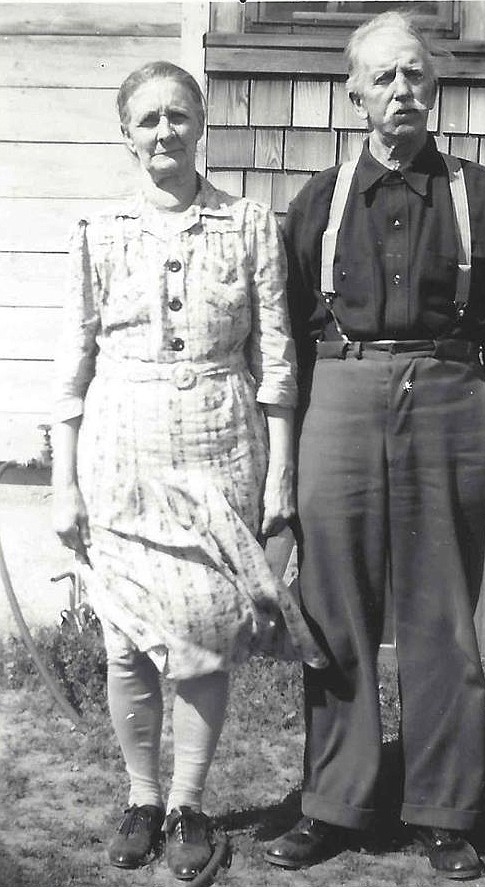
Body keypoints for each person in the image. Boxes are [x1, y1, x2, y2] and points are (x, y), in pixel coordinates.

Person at [265, 11, 485, 880]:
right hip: (338, 400)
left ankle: (443, 808)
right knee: (334, 606)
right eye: (382, 78)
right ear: (354, 94)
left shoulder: (481, 194)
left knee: (441, 614)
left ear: (435, 85)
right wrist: (282, 451)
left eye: (414, 75)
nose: (401, 92)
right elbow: (285, 336)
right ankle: (333, 803)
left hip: (453, 399)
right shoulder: (318, 198)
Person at [50, 60, 325, 882]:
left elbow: (277, 361)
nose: (164, 131)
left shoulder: (245, 224)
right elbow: (72, 366)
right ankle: (140, 797)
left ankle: (189, 804)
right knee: (128, 643)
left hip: (220, 449)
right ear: (124, 133)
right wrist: (61, 479)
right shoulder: (98, 231)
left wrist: (280, 477)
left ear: (199, 122)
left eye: (178, 115)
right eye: (147, 119)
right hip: (119, 453)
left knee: (205, 640)